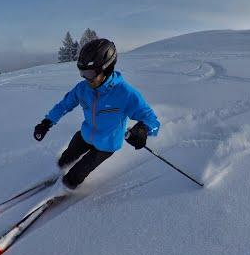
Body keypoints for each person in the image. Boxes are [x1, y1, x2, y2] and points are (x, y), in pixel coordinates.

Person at [33, 38, 160, 197]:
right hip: (85, 135)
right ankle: (59, 172)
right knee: (64, 160)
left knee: (75, 176)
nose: (86, 78)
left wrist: (143, 130)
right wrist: (47, 122)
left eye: (90, 73)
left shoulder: (125, 94)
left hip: (106, 144)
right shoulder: (83, 89)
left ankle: (64, 189)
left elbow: (152, 120)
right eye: (83, 72)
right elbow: (64, 105)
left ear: (106, 69)